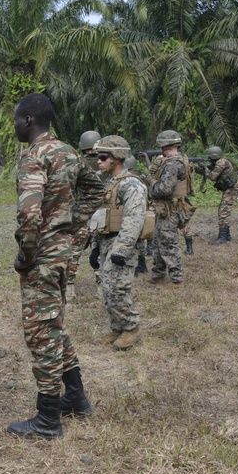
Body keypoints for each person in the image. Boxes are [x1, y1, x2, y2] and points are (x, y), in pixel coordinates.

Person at [7, 94, 91, 440]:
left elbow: (29, 212)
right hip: (62, 253)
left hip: (42, 256)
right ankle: (76, 398)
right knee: (53, 324)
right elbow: (95, 187)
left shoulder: (34, 156)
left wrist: (26, 252)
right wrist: (72, 227)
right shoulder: (69, 151)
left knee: (41, 334)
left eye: (15, 119)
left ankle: (48, 419)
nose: (13, 125)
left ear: (28, 121)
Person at [87, 135, 147, 350]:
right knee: (107, 287)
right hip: (106, 241)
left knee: (117, 288)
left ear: (117, 158)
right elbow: (101, 215)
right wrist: (95, 247)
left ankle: (132, 327)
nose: (99, 161)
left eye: (103, 157)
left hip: (122, 244)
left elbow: (134, 218)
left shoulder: (131, 185)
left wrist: (121, 249)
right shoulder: (109, 184)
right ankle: (117, 326)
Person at [146, 130, 195, 284]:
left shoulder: (172, 164)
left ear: (163, 146)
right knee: (158, 241)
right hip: (170, 208)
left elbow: (164, 190)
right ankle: (158, 275)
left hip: (170, 209)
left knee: (168, 243)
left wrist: (150, 181)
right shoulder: (181, 160)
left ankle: (176, 279)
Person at [66, 130, 106, 301]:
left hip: (82, 216)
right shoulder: (108, 163)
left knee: (74, 253)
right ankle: (101, 286)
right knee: (100, 252)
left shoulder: (77, 163)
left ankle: (69, 289)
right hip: (104, 216)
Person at [195, 146, 238, 244]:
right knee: (223, 210)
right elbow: (208, 172)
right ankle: (226, 235)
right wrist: (196, 168)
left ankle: (223, 237)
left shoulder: (221, 163)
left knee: (223, 212)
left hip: (232, 189)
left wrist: (204, 167)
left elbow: (212, 176)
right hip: (230, 188)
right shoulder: (221, 161)